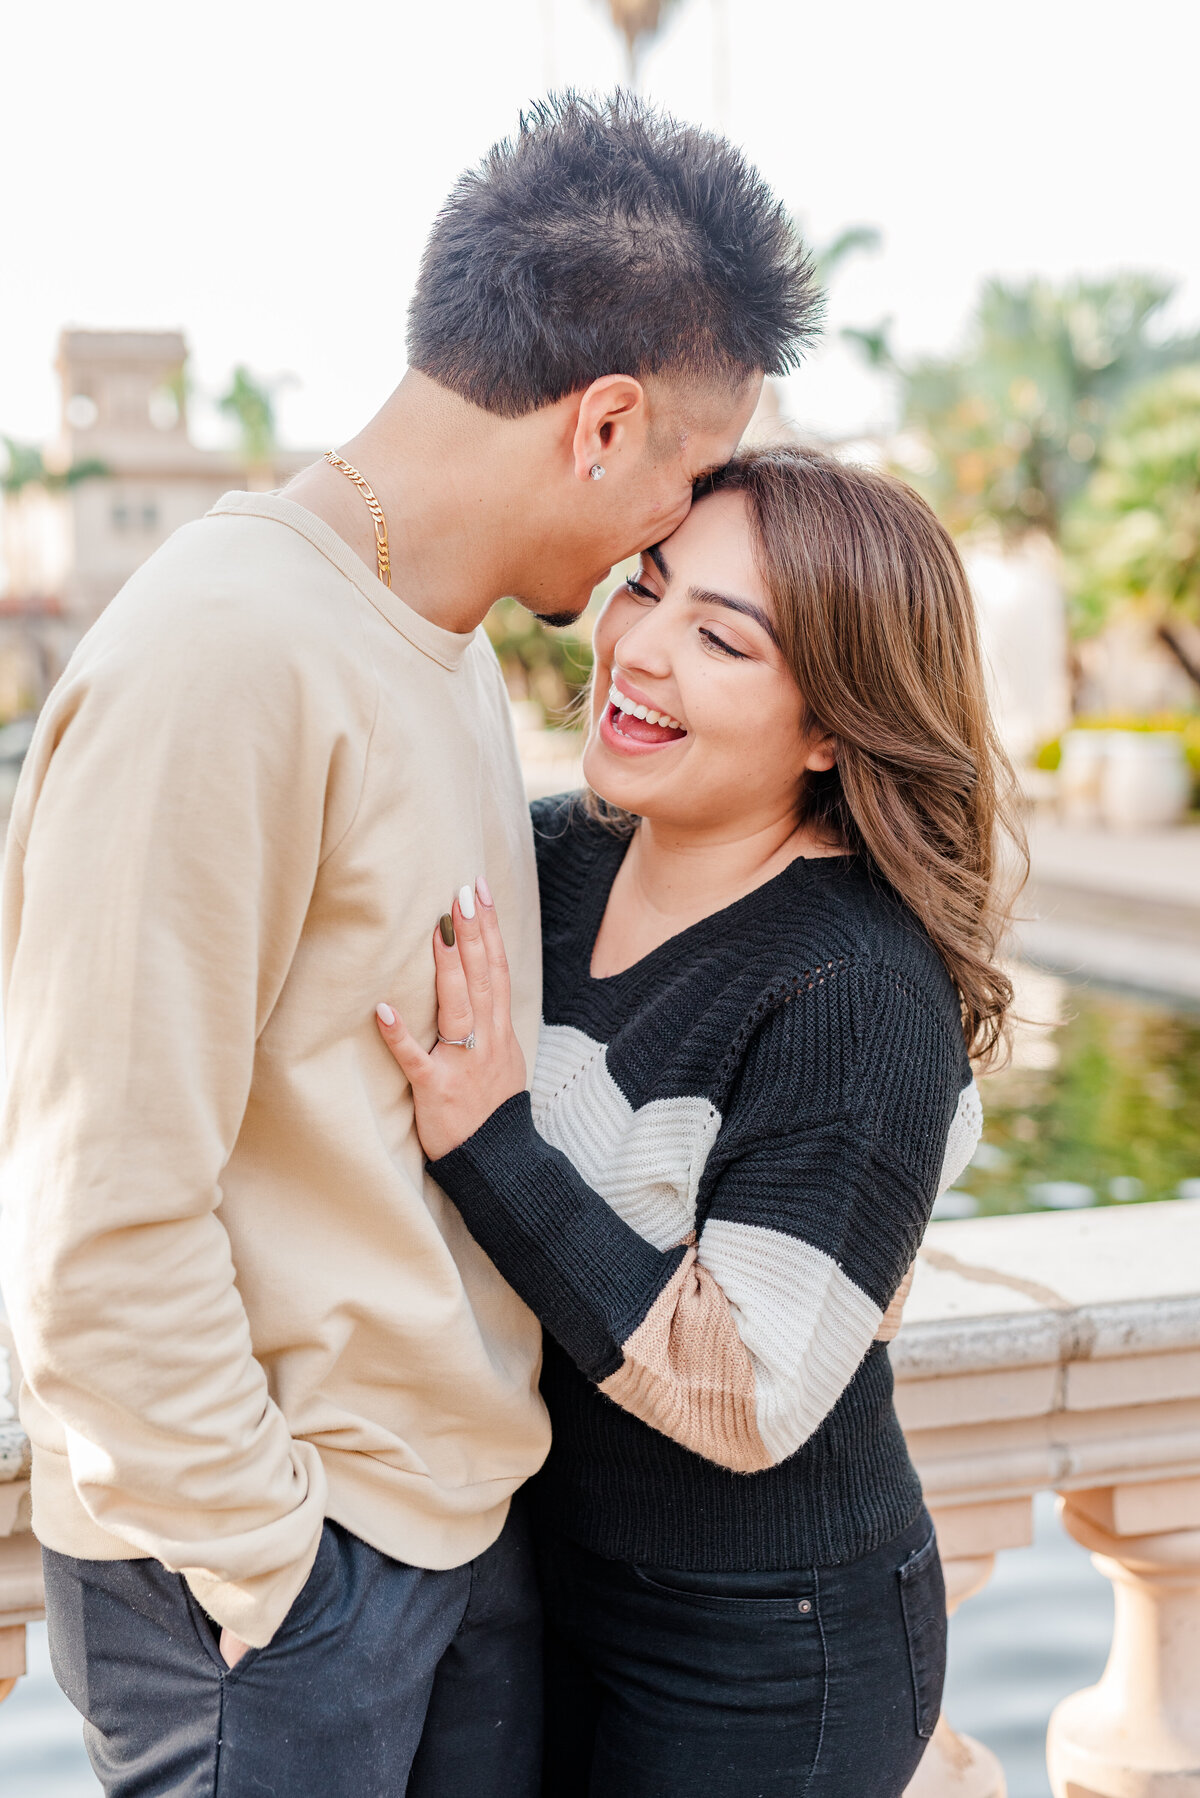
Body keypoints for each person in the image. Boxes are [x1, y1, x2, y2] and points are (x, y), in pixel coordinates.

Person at [0, 96, 819, 1797]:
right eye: (678, 481)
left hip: (449, 1532)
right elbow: (94, 1212)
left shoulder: (433, 642)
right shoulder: (223, 655)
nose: (649, 555)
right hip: (279, 1593)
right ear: (603, 421)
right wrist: (274, 1569)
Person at [375, 445, 1025, 1798]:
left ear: (835, 725)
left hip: (771, 1651)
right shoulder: (547, 858)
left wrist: (497, 1141)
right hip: (542, 1576)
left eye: (721, 637)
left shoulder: (859, 990)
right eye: (646, 587)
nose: (641, 648)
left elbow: (753, 1390)